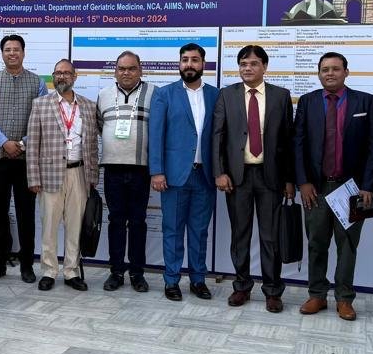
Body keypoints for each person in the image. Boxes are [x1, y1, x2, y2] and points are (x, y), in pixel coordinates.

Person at [294, 52, 373, 320]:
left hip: (352, 189)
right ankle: (317, 295)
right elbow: (298, 144)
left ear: (346, 72)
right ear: (319, 74)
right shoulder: (308, 101)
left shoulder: (365, 101)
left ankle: (344, 298)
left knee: (347, 245)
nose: (330, 73)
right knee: (316, 243)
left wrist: (368, 185)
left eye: (335, 69)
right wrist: (303, 182)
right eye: (324, 69)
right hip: (317, 189)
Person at [212, 44, 295, 311]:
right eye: (243, 64)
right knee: (240, 235)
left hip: (270, 177)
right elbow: (218, 136)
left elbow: (288, 141)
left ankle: (272, 290)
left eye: (254, 63)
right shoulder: (227, 95)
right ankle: (241, 287)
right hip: (238, 177)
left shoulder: (281, 96)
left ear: (265, 67)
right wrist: (220, 172)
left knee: (270, 237)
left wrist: (289, 179)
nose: (247, 68)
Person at [148, 43, 219, 302]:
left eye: (195, 60)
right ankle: (172, 280)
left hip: (205, 176)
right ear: (179, 63)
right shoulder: (164, 94)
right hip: (174, 176)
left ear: (203, 64)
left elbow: (220, 137)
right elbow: (155, 135)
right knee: (173, 230)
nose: (189, 64)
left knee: (200, 232)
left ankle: (198, 280)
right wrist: (157, 171)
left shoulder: (216, 95)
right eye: (185, 59)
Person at [28, 60, 100, 291]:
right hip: (49, 175)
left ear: (75, 76)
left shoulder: (88, 106)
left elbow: (93, 145)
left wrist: (93, 177)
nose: (62, 77)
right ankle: (49, 271)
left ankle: (72, 271)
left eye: (66, 73)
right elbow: (33, 145)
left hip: (79, 173)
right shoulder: (40, 104)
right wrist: (33, 178)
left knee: (75, 226)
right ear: (53, 76)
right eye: (58, 73)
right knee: (49, 226)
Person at [0, 35, 46, 284]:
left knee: (26, 214)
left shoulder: (38, 83)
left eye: (16, 49)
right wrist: (5, 143)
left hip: (26, 161)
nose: (12, 53)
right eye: (7, 50)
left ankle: (27, 265)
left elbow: (41, 120)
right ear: (2, 54)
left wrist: (21, 144)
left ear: (23, 52)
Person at [95, 52, 154, 293]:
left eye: (131, 68)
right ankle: (116, 272)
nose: (126, 73)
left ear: (140, 70)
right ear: (115, 71)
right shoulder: (103, 95)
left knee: (138, 221)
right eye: (121, 68)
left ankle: (137, 274)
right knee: (116, 221)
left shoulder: (154, 93)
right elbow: (101, 126)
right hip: (113, 168)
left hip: (141, 168)